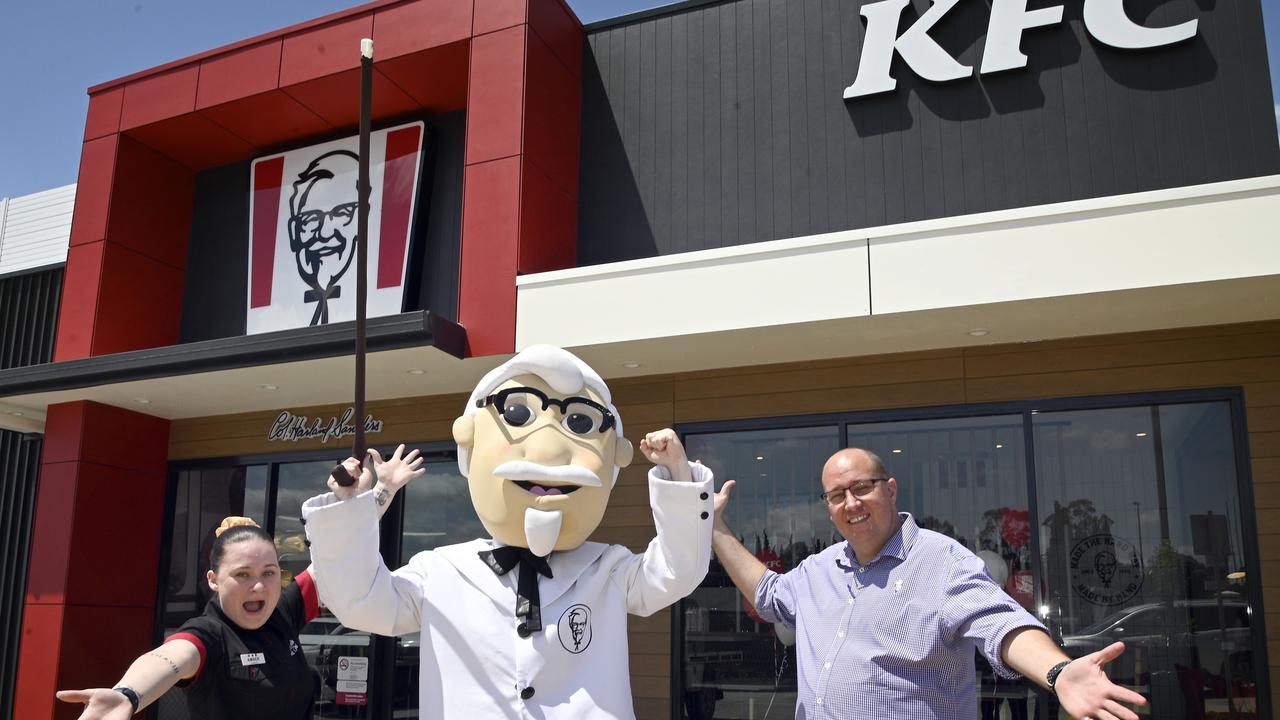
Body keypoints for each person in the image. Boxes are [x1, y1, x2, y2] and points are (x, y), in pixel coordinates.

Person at [302, 344, 715, 719]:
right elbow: (359, 601)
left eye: (579, 421)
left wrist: (679, 477)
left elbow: (678, 570)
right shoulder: (442, 571)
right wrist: (356, 506)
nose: (550, 448)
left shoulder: (607, 569)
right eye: (518, 414)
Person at [711, 447, 1149, 720]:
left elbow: (999, 624)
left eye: (861, 487)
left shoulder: (941, 561)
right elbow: (768, 594)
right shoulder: (819, 569)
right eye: (836, 495)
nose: (851, 503)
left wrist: (1057, 672)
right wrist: (712, 523)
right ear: (828, 507)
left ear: (891, 489)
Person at [55, 465, 409, 720]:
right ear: (213, 579)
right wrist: (127, 695)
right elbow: (169, 659)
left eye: (269, 573)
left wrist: (382, 492)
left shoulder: (284, 610)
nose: (259, 585)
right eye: (242, 574)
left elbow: (337, 551)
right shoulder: (208, 635)